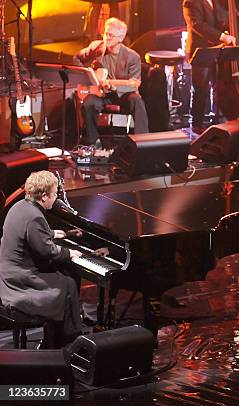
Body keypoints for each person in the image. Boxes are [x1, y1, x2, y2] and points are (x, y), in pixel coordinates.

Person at [0, 171, 83, 347]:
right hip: (20, 281)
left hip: (7, 274)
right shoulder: (35, 216)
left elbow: (29, 233)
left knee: (61, 275)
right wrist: (70, 253)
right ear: (44, 196)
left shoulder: (19, 206)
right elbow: (47, 251)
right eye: (54, 194)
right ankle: (68, 340)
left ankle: (56, 335)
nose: (55, 198)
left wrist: (52, 233)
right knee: (68, 284)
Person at [75, 17, 149, 146]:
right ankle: (93, 140)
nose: (106, 38)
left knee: (137, 100)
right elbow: (77, 57)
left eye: (111, 35)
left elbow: (134, 83)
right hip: (102, 94)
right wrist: (87, 75)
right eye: (105, 33)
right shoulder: (96, 47)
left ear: (120, 38)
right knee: (89, 103)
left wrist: (114, 86)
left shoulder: (132, 56)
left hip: (123, 94)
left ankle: (142, 142)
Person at [183, 0, 237, 132]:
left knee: (217, 85)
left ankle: (217, 119)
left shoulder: (214, 1)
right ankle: (197, 124)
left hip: (216, 47)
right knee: (201, 89)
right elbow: (197, 25)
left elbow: (221, 17)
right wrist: (222, 37)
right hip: (200, 49)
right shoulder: (190, 2)